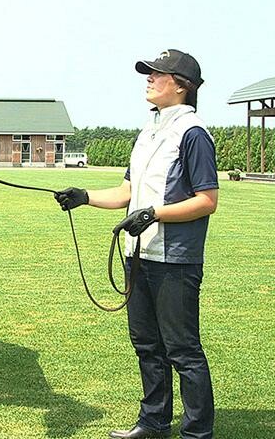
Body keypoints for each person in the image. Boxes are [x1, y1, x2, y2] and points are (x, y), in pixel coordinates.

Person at [55, 49, 217, 439]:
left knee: (183, 350)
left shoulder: (192, 134)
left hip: (175, 260)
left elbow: (207, 200)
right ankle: (153, 422)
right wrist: (84, 196)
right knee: (147, 344)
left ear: (181, 86)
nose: (148, 79)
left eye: (156, 74)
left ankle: (197, 433)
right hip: (140, 256)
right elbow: (127, 192)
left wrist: (155, 214)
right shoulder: (149, 132)